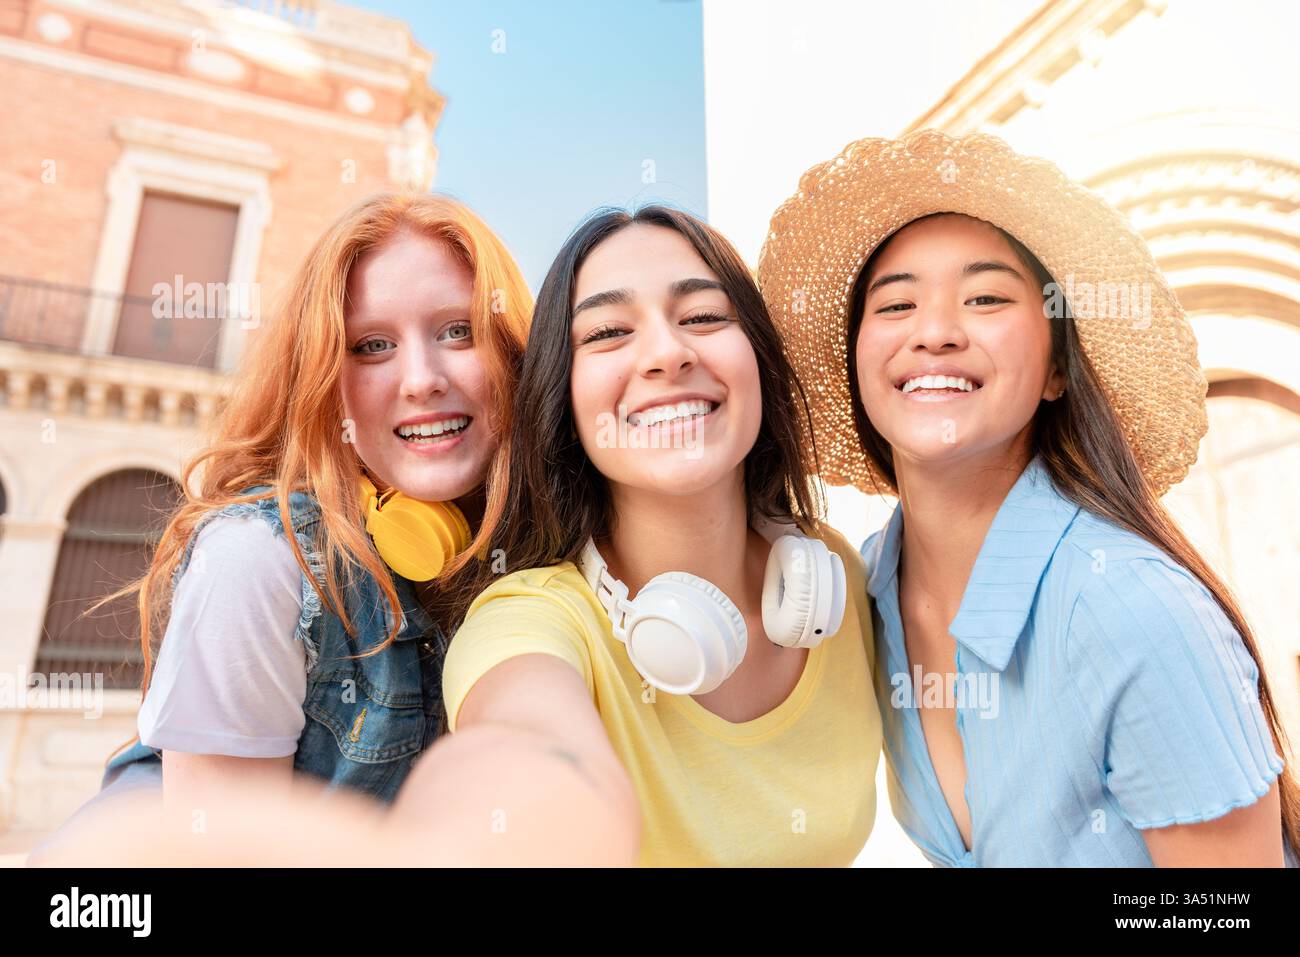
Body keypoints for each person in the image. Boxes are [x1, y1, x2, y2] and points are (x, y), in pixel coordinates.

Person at [757, 129, 1298, 866]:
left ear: (1055, 370)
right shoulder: (867, 592)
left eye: (985, 297)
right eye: (895, 305)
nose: (936, 332)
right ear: (858, 368)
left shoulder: (1130, 609)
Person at [29, 192, 532, 862]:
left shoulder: (526, 561)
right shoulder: (257, 559)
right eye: (372, 345)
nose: (421, 379)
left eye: (457, 331)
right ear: (324, 379)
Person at [431, 205, 882, 866]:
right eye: (609, 332)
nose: (668, 353)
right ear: (565, 399)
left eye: (703, 316)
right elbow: (528, 764)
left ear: (758, 357)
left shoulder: (830, 575)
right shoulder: (527, 622)